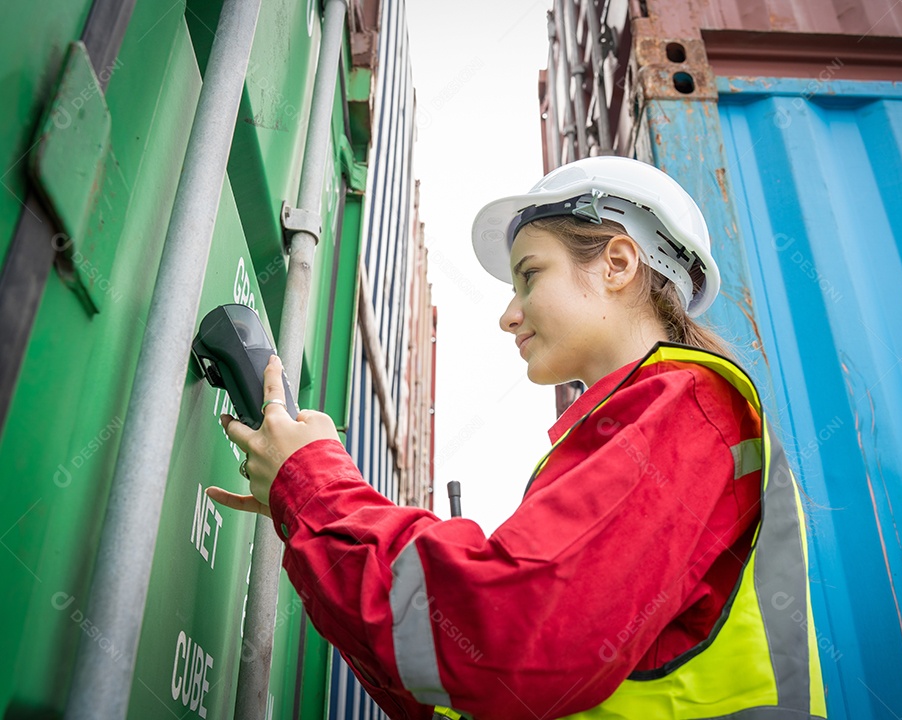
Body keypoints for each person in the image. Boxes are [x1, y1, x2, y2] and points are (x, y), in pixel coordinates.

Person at [207, 156, 827, 719]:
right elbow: (464, 687)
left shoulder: (688, 409)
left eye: (529, 275)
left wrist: (316, 491)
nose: (508, 314)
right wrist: (305, 504)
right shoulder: (647, 425)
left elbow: (507, 642)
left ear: (617, 263)